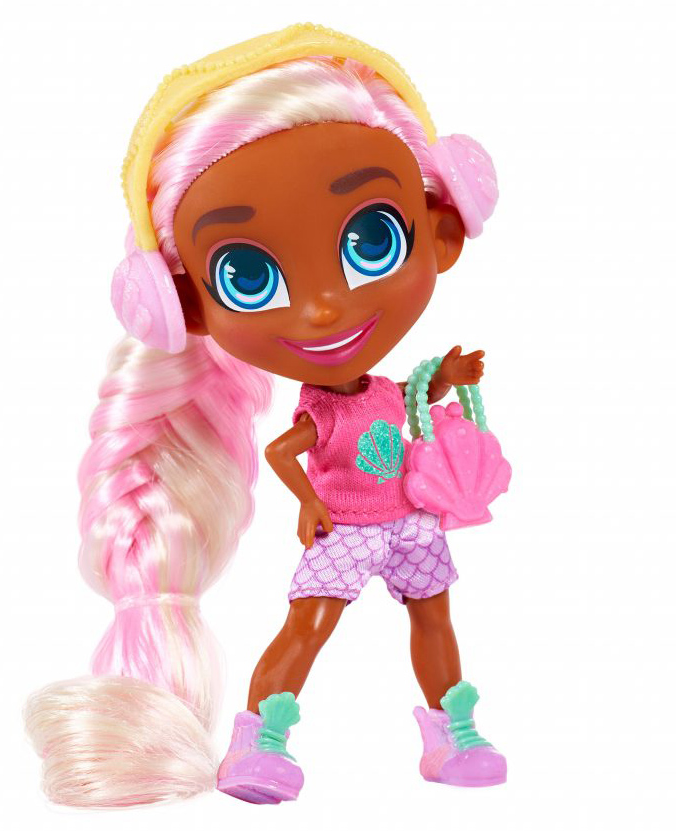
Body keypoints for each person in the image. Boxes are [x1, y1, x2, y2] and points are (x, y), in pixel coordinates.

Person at [26, 23, 506, 807]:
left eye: (371, 240)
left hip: (410, 519)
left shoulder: (383, 391)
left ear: (442, 230)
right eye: (247, 275)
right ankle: (262, 739)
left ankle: (453, 730)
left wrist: (444, 379)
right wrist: (311, 501)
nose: (322, 307)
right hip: (345, 528)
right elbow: (287, 450)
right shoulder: (322, 409)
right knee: (306, 629)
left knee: (434, 620)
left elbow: (407, 400)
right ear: (188, 308)